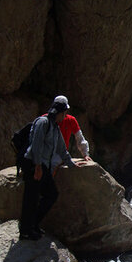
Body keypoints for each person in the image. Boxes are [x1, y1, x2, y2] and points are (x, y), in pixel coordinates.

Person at [19, 96, 86, 240]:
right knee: (31, 198)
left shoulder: (55, 127)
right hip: (33, 164)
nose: (66, 115)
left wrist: (72, 164)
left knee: (51, 194)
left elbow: (62, 149)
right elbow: (36, 145)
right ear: (59, 112)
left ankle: (33, 224)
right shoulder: (43, 122)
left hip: (43, 166)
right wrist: (37, 166)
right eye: (65, 112)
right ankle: (25, 231)